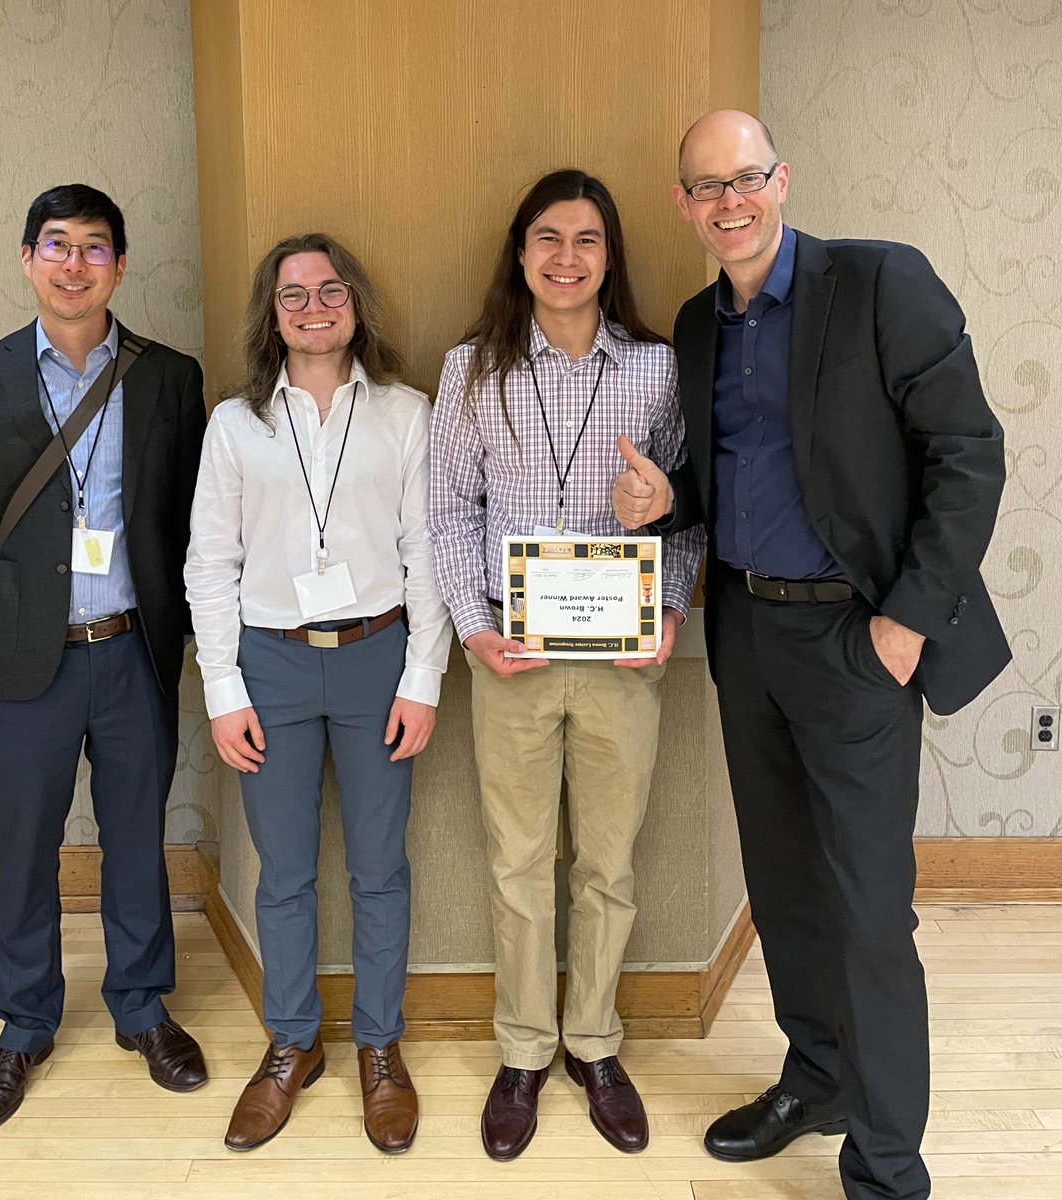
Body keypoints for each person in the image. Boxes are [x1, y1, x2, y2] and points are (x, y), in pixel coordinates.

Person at [612, 110, 1011, 1200]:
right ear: (683, 205)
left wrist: (906, 620)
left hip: (857, 636)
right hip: (747, 632)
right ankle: (819, 1077)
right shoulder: (699, 325)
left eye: (745, 178)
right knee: (784, 883)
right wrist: (670, 499)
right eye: (705, 187)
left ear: (782, 180)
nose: (728, 202)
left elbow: (968, 454)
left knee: (869, 903)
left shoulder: (881, 285)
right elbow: (741, 473)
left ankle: (886, 1163)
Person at [429, 169, 703, 1160]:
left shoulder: (656, 370)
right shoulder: (472, 370)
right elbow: (449, 510)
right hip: (510, 654)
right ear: (519, 250)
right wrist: (469, 628)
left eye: (587, 240)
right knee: (516, 863)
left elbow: (685, 506)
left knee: (609, 863)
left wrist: (669, 605)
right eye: (548, 237)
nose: (567, 258)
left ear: (610, 256)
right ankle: (522, 1052)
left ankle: (594, 1042)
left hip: (624, 659)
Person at [0, 184, 209, 1131]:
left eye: (95, 248)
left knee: (138, 834)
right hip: (19, 661)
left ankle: (141, 1007)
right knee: (23, 848)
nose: (75, 263)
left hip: (132, 649)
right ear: (27, 258)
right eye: (56, 245)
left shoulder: (170, 377)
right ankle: (22, 1025)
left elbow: (187, 524)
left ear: (120, 267)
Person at [185, 233, 451, 1154]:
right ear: (272, 312)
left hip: (380, 659)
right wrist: (223, 687)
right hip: (271, 664)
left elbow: (428, 554)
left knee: (381, 868)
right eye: (291, 293)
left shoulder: (408, 414)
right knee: (284, 873)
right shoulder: (235, 424)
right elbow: (209, 564)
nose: (312, 305)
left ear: (355, 302)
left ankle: (380, 1046)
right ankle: (291, 1043)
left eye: (329, 289)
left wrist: (424, 678)